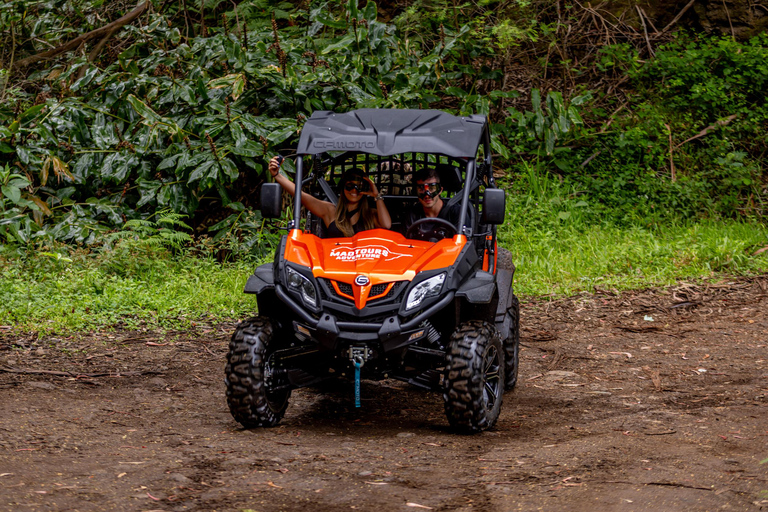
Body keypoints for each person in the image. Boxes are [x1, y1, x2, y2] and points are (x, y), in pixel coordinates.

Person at [268, 156, 391, 237]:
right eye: (350, 186)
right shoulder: (331, 211)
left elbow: (386, 225)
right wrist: (277, 175)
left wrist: (377, 195)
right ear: (342, 187)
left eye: (359, 187)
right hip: (334, 265)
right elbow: (301, 195)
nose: (354, 190)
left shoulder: (371, 215)